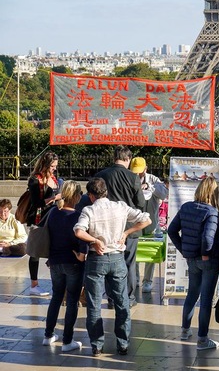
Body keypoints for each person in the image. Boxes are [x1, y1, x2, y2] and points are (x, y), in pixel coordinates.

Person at [73, 177, 151, 357]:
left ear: (91, 195)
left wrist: (94, 240)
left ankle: (97, 345)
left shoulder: (89, 210)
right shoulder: (121, 207)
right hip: (117, 258)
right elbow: (146, 219)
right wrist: (126, 232)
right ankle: (122, 342)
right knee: (121, 301)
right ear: (106, 192)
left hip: (96, 258)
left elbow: (78, 231)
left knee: (94, 303)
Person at [167, 176, 219, 351]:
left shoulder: (186, 207)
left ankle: (185, 330)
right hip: (208, 261)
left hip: (192, 259)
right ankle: (202, 340)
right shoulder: (212, 212)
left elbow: (171, 230)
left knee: (192, 294)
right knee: (206, 300)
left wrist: (184, 250)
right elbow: (208, 239)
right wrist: (206, 254)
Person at [95, 145, 145, 308]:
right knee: (129, 263)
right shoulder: (132, 177)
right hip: (129, 226)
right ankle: (128, 298)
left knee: (111, 263)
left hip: (107, 226)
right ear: (128, 159)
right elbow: (141, 203)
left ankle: (111, 298)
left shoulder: (101, 175)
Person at [43, 180, 86, 352]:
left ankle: (48, 335)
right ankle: (67, 341)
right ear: (75, 196)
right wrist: (82, 255)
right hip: (73, 262)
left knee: (56, 297)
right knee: (72, 300)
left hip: (55, 261)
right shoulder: (77, 216)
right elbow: (82, 239)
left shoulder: (54, 213)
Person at [129, 157, 168, 293]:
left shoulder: (154, 179)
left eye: (139, 172)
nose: (137, 174)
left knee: (150, 254)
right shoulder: (129, 178)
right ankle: (136, 279)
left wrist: (150, 187)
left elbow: (164, 194)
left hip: (152, 224)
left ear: (145, 169)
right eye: (135, 171)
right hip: (135, 224)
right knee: (135, 252)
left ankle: (148, 281)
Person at [26, 151, 62, 296]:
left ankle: (56, 283)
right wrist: (54, 198)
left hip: (53, 218)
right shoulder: (35, 180)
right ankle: (34, 285)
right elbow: (36, 203)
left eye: (55, 166)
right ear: (45, 164)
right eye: (52, 166)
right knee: (35, 252)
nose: (54, 168)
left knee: (52, 251)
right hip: (39, 219)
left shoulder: (54, 178)